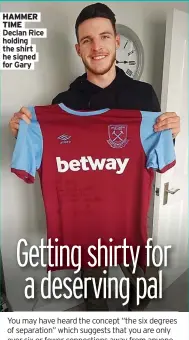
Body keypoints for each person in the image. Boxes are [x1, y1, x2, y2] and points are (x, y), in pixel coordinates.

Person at [9, 3, 180, 311]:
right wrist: (22, 134)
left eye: (103, 36)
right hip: (85, 223)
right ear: (78, 48)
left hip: (129, 217)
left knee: (143, 286)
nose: (96, 46)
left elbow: (157, 154)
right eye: (87, 40)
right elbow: (44, 156)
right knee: (96, 298)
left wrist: (171, 134)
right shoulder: (62, 104)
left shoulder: (144, 96)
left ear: (116, 40)